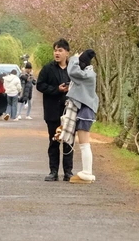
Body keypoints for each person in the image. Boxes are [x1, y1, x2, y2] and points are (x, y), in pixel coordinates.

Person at [36, 38, 73, 181]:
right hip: (52, 111)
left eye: (60, 50)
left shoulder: (73, 70)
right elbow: (40, 85)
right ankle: (53, 171)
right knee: (54, 141)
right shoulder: (47, 68)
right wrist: (56, 90)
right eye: (55, 50)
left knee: (68, 142)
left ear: (67, 53)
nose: (57, 53)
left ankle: (68, 172)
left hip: (69, 112)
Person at [67, 49, 98, 183]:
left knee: (85, 144)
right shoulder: (89, 73)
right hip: (86, 110)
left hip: (86, 111)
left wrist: (73, 58)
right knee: (84, 144)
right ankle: (86, 172)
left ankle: (87, 173)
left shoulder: (88, 75)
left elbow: (72, 72)